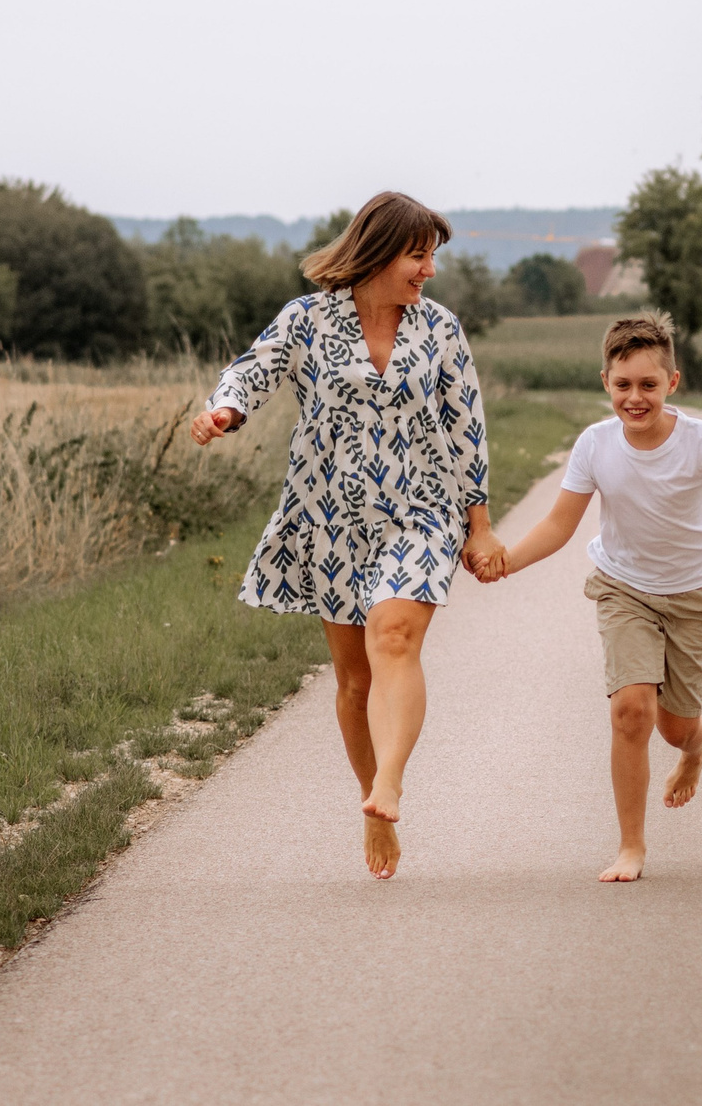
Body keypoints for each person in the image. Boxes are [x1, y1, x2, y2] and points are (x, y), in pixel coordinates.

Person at [190, 192, 504, 881]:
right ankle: (373, 805)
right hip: (328, 514)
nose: (428, 270)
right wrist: (226, 409)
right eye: (417, 254)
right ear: (377, 251)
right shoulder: (307, 319)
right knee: (355, 680)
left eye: (431, 256)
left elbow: (466, 426)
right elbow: (255, 367)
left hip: (423, 507)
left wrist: (477, 525)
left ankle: (388, 781)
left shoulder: (441, 330)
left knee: (393, 633)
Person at [485, 311, 702, 883]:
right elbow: (561, 525)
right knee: (630, 711)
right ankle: (631, 847)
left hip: (695, 595)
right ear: (606, 383)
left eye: (648, 385)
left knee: (674, 727)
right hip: (624, 588)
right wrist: (507, 560)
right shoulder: (594, 445)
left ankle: (695, 744)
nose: (635, 398)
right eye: (623, 385)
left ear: (672, 383)